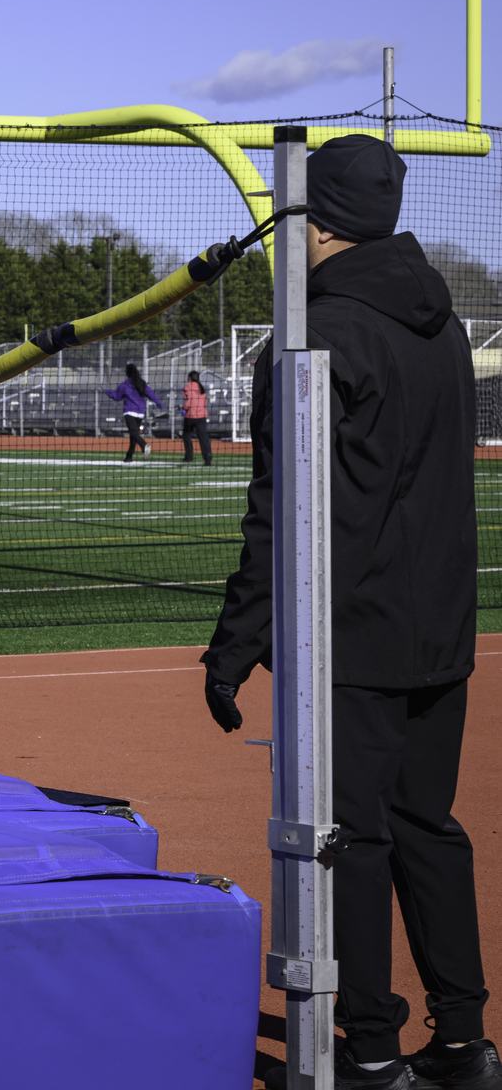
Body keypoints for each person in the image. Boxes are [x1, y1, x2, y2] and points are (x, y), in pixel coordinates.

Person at [199, 135, 496, 1089]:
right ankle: (463, 1040)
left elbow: (280, 510)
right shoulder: (443, 326)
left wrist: (237, 640)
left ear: (317, 226)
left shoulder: (320, 333)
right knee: (430, 827)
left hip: (353, 633)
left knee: (354, 840)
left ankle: (367, 1045)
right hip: (442, 626)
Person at [104, 363, 163, 461]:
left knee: (134, 433)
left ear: (127, 373)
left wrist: (108, 392)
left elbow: (117, 397)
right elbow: (151, 394)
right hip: (140, 413)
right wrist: (159, 403)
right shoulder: (141, 383)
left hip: (129, 412)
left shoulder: (124, 385)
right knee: (133, 434)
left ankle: (144, 445)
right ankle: (129, 456)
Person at [180, 369, 212, 465]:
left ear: (189, 378)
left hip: (190, 415)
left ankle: (189, 456)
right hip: (201, 415)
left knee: (186, 435)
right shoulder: (201, 388)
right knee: (203, 436)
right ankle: (207, 455)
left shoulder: (187, 387)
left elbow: (189, 401)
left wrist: (184, 408)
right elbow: (205, 403)